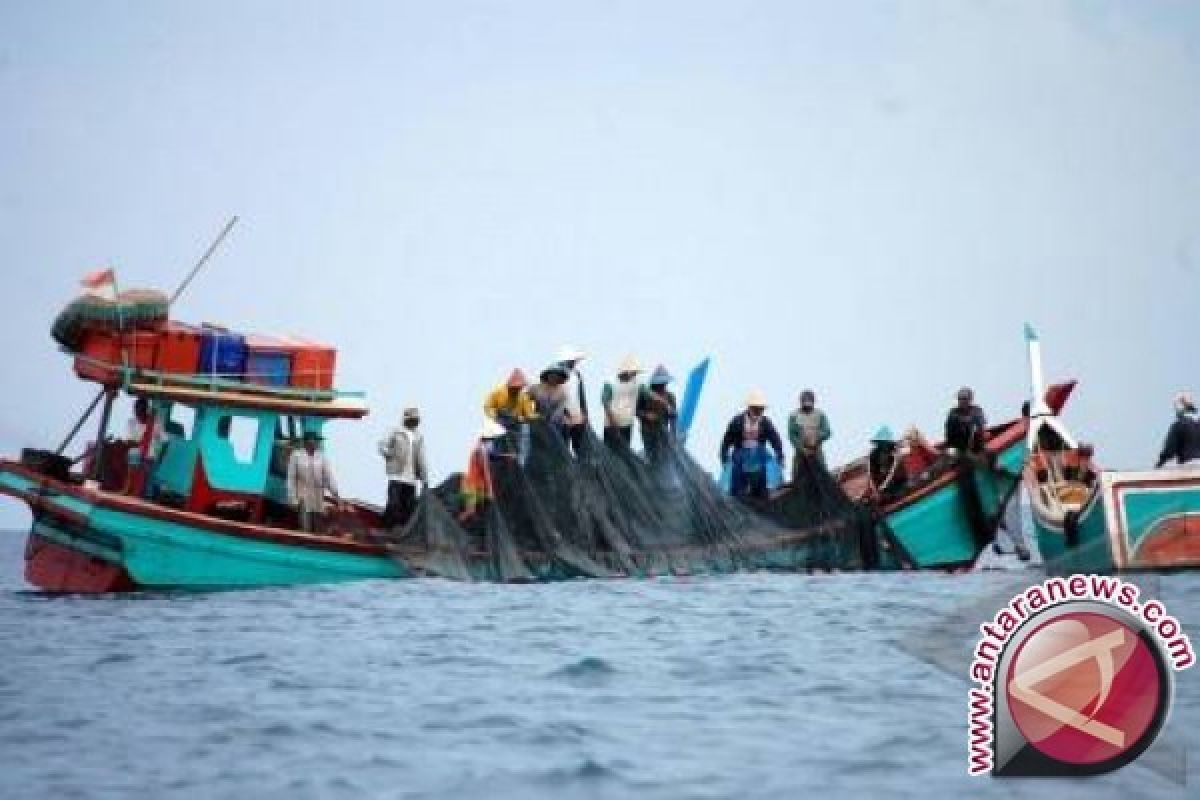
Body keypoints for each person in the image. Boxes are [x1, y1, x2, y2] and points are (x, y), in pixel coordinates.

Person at [720, 390, 785, 499]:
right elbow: (727, 439)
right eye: (755, 408)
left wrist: (780, 454)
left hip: (759, 451)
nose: (758, 411)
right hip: (741, 451)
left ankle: (768, 490)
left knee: (769, 464)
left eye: (760, 409)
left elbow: (775, 439)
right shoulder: (737, 421)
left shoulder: (765, 422)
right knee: (736, 468)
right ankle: (736, 492)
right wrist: (724, 455)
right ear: (749, 408)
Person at [378, 407, 428, 529]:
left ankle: (402, 532)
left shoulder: (418, 437)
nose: (414, 422)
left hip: (411, 478)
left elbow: (421, 458)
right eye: (411, 419)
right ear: (405, 419)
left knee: (409, 507)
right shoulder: (395, 431)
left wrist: (424, 477)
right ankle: (387, 528)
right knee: (393, 504)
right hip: (396, 475)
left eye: (416, 420)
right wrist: (391, 455)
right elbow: (382, 446)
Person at [287, 431, 340, 533]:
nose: (315, 444)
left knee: (318, 527)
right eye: (312, 441)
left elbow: (328, 477)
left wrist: (336, 495)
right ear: (306, 442)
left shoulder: (322, 457)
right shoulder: (296, 455)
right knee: (305, 526)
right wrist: (292, 498)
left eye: (316, 441)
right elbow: (291, 478)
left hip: (318, 495)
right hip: (302, 494)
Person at [459, 418, 511, 522]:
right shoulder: (480, 449)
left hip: (478, 486)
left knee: (478, 512)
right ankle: (454, 526)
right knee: (470, 511)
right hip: (471, 486)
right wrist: (490, 492)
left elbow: (492, 456)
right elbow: (486, 470)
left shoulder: (485, 447)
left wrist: (506, 456)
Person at [484, 368, 538, 461]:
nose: (517, 389)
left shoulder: (523, 398)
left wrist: (527, 418)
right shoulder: (498, 393)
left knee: (526, 431)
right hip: (500, 421)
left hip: (516, 424)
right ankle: (492, 452)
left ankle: (522, 458)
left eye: (519, 387)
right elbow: (488, 407)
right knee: (492, 431)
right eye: (515, 387)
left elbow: (529, 414)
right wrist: (495, 416)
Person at [124, 396, 166, 498]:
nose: (137, 412)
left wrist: (161, 458)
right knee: (133, 453)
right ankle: (128, 488)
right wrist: (136, 444)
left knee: (148, 484)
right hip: (135, 454)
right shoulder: (131, 422)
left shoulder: (155, 423)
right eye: (136, 409)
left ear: (145, 410)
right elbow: (129, 441)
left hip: (150, 457)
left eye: (140, 409)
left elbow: (165, 441)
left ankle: (143, 495)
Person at [601, 355, 643, 448]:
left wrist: (664, 403)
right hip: (611, 426)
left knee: (625, 450)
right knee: (610, 451)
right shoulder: (610, 383)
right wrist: (613, 424)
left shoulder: (636, 383)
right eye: (633, 372)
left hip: (627, 425)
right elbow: (605, 404)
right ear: (626, 371)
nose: (634, 375)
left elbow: (648, 393)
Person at [637, 365, 678, 460]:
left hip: (662, 430)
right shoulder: (645, 395)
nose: (663, 385)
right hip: (647, 431)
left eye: (664, 383)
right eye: (661, 383)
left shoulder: (670, 397)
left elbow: (673, 418)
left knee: (665, 456)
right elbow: (636, 411)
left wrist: (673, 435)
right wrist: (646, 415)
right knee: (652, 456)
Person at [787, 389, 832, 472]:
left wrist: (816, 438)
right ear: (801, 402)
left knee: (822, 476)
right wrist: (802, 448)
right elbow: (792, 435)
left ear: (813, 402)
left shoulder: (820, 415)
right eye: (805, 401)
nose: (807, 404)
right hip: (800, 454)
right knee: (799, 478)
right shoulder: (794, 416)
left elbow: (827, 431)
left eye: (809, 401)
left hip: (817, 451)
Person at [557, 345, 589, 456]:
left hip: (578, 416)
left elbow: (581, 395)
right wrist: (564, 412)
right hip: (563, 418)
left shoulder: (577, 374)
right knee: (564, 447)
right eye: (572, 361)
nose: (574, 363)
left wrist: (585, 413)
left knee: (579, 447)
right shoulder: (557, 375)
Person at [1156, 392, 1200, 468]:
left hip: (1189, 467)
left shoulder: (1179, 425)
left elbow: (1169, 450)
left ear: (1181, 407)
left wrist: (1159, 465)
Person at [867, 426, 908, 503]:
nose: (882, 444)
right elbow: (871, 474)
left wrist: (881, 488)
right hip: (881, 483)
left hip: (897, 482)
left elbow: (893, 471)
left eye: (884, 442)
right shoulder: (873, 454)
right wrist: (875, 489)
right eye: (881, 442)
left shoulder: (894, 451)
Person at [945, 387, 988, 454]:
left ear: (970, 399)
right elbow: (949, 431)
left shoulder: (976, 410)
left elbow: (981, 426)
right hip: (956, 445)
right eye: (960, 399)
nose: (962, 401)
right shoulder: (953, 412)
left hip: (974, 444)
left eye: (964, 399)